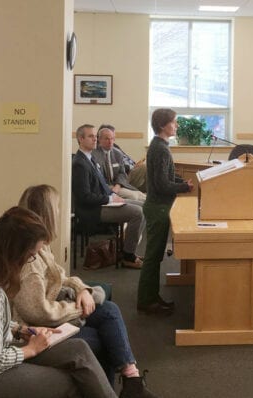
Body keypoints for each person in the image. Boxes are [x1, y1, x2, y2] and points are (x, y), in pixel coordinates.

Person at [0, 207, 119, 398]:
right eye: (31, 255)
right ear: (15, 251)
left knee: (78, 350)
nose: (32, 260)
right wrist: (30, 349)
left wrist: (20, 330)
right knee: (68, 383)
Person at [13, 184, 159, 398]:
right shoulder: (29, 259)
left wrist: (81, 289)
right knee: (102, 336)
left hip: (52, 314)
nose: (61, 212)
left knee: (108, 310)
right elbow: (38, 313)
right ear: (48, 214)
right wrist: (75, 309)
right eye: (58, 208)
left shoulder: (40, 244)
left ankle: (131, 380)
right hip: (36, 329)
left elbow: (60, 276)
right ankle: (128, 385)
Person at [137, 108, 193, 315]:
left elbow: (166, 177)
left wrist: (181, 182)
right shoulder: (160, 149)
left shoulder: (160, 146)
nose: (176, 125)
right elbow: (161, 185)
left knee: (155, 256)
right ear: (163, 125)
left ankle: (152, 297)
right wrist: (183, 187)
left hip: (159, 206)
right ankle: (146, 300)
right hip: (158, 207)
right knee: (152, 257)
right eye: (174, 122)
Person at [72, 124, 144, 269]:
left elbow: (104, 186)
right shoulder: (80, 163)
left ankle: (127, 250)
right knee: (137, 213)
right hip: (93, 209)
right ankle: (127, 256)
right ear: (80, 139)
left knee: (144, 207)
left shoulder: (89, 158)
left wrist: (114, 196)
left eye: (95, 136)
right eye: (91, 136)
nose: (95, 140)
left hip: (104, 201)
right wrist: (110, 199)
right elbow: (84, 197)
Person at [92, 126, 146, 202]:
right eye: (107, 139)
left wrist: (118, 186)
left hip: (118, 185)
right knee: (134, 196)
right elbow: (97, 177)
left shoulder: (117, 153)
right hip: (104, 187)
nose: (110, 142)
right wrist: (111, 188)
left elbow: (122, 173)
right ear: (100, 139)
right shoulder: (94, 154)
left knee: (142, 196)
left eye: (112, 139)